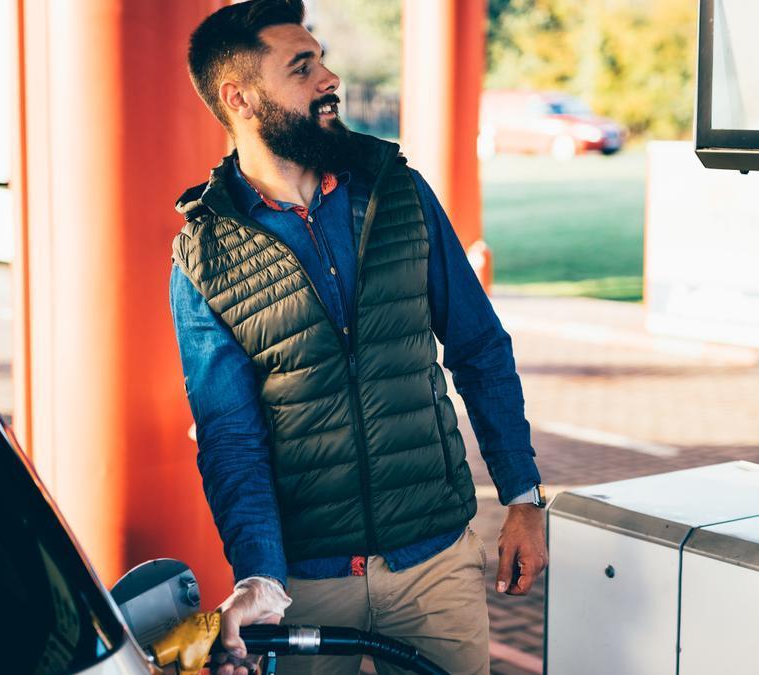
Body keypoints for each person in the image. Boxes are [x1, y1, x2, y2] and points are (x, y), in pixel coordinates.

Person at [169, 2, 546, 673]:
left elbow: (479, 347)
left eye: (322, 59)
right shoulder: (206, 253)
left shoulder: (396, 192)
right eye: (302, 67)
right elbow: (230, 434)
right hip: (307, 584)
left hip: (434, 564)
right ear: (240, 98)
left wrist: (521, 495)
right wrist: (259, 576)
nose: (330, 78)